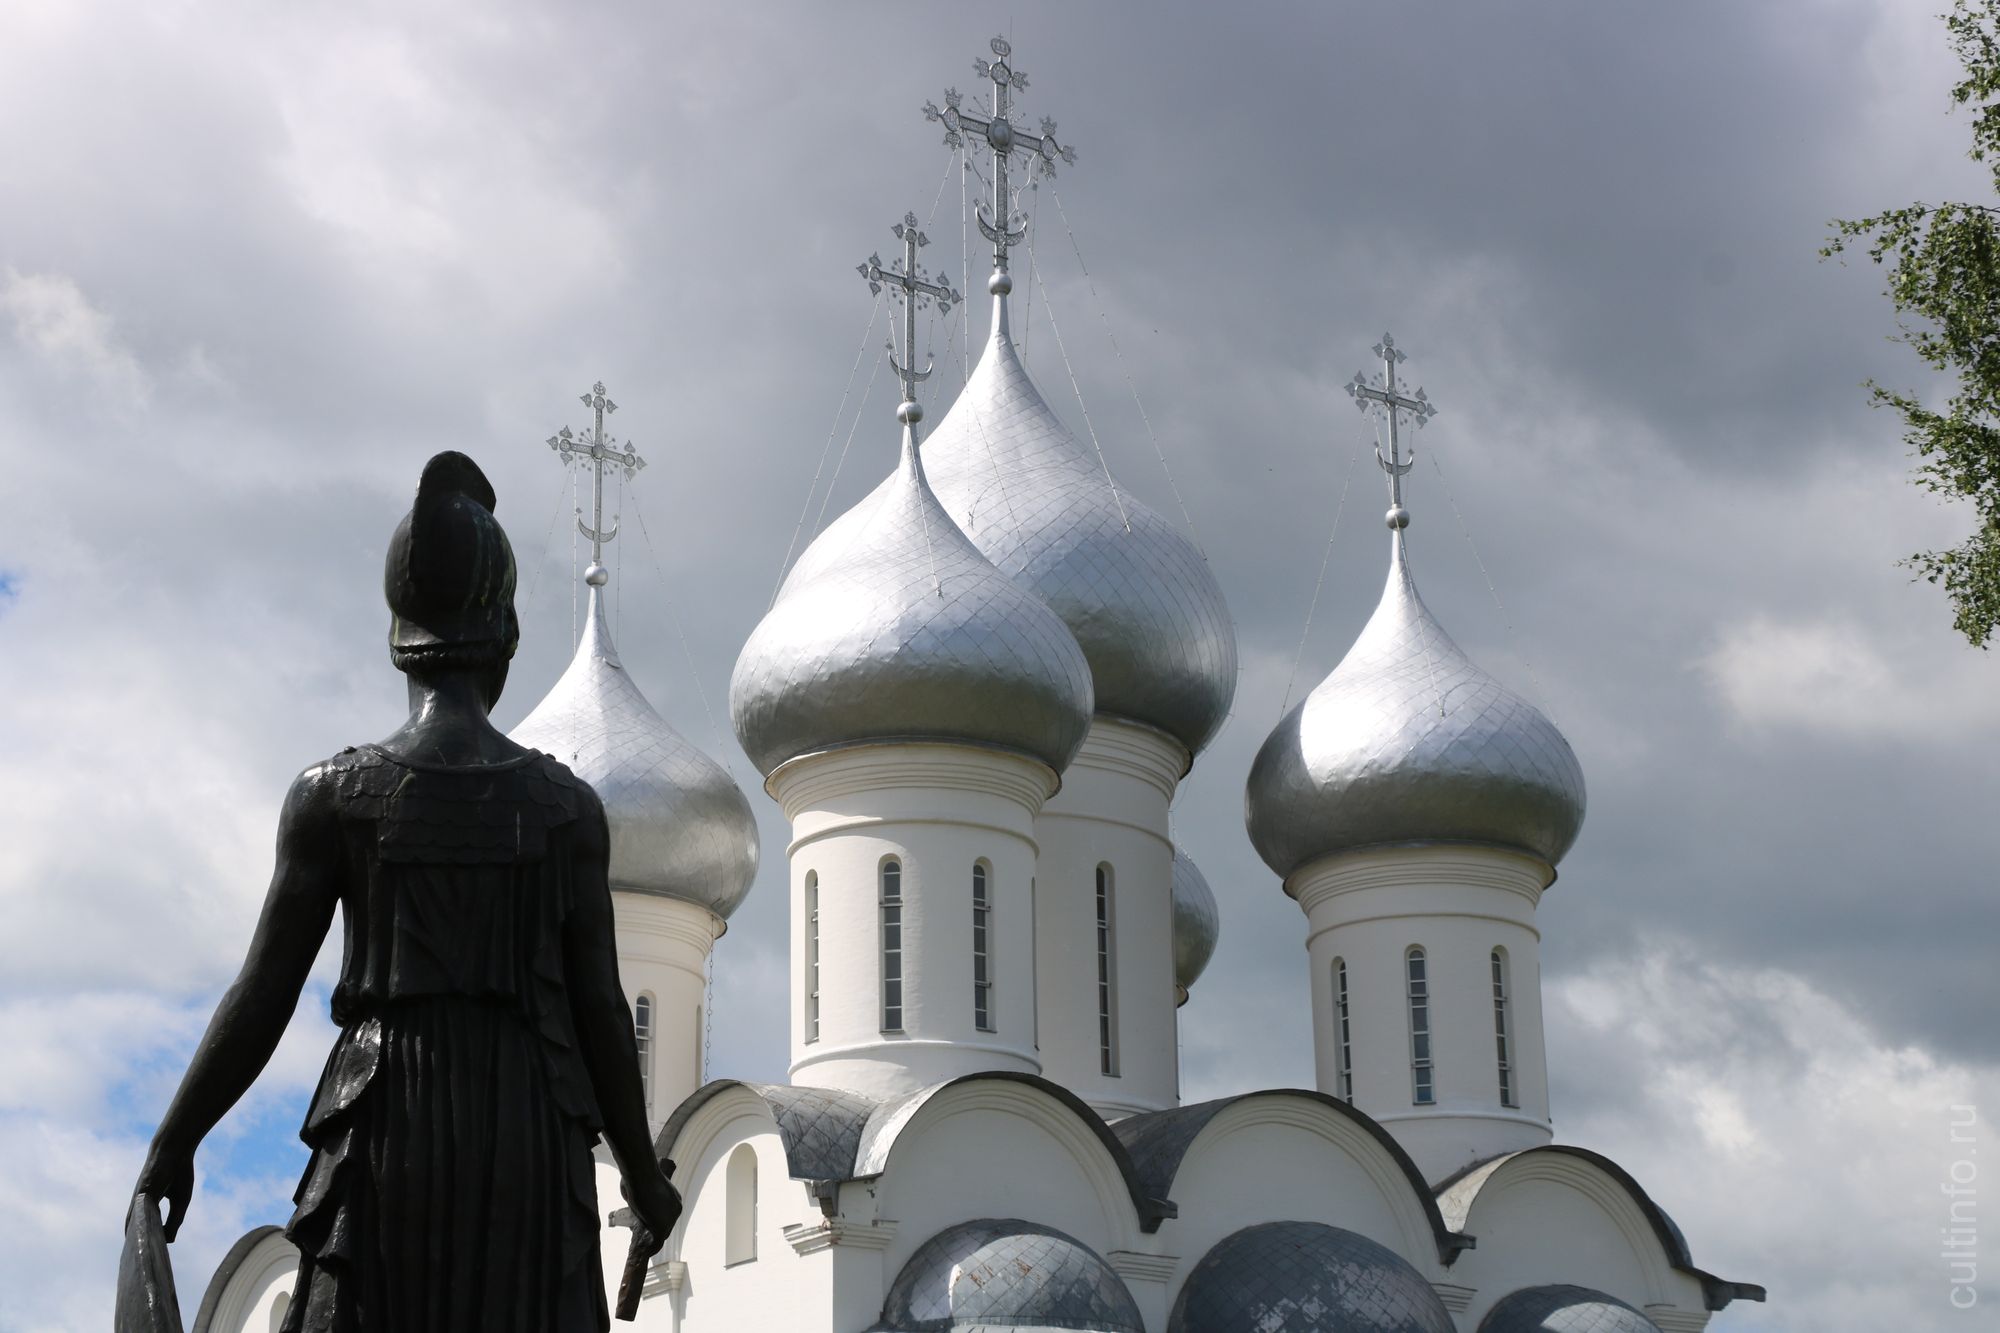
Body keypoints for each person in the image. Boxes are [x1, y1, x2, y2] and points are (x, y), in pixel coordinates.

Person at [129, 452, 680, 1332]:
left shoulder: (333, 796)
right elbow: (601, 1011)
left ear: (399, 639)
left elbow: (264, 991)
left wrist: (176, 1137)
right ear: (504, 634)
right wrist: (644, 1177)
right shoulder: (563, 810)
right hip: (526, 1129)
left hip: (387, 1120)